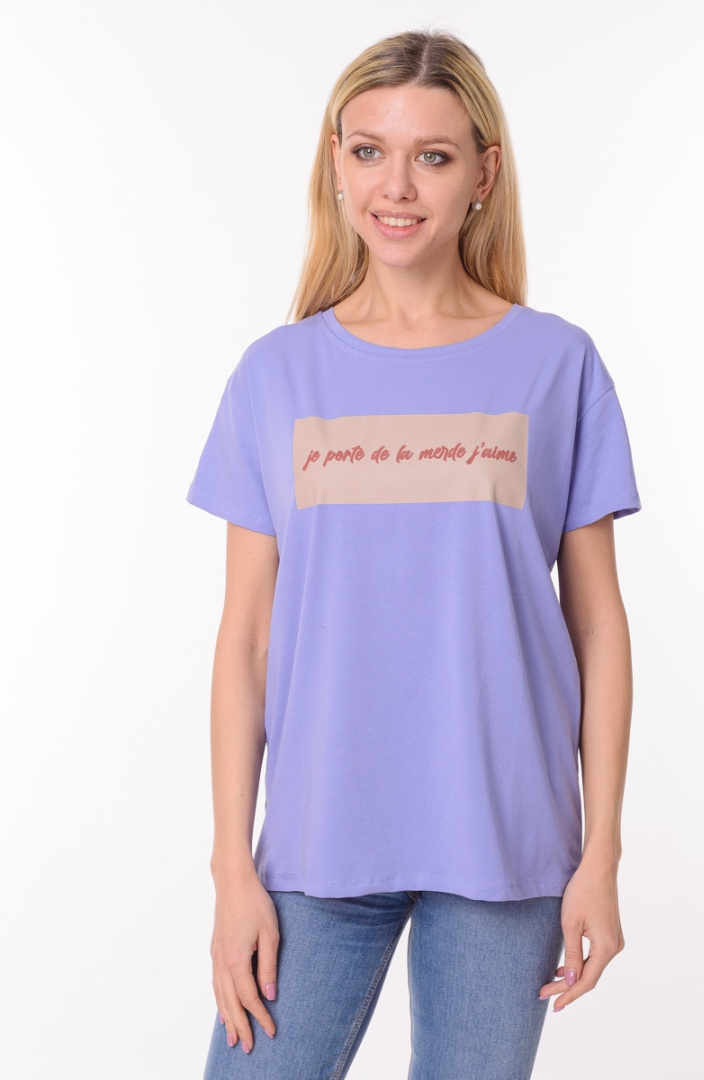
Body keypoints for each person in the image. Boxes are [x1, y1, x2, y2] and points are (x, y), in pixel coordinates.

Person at [186, 27, 642, 1080]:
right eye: (369, 151)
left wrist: (603, 855)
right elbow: (245, 639)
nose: (396, 186)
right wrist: (230, 869)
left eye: (432, 155)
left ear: (483, 173)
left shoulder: (556, 365)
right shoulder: (275, 376)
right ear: (335, 164)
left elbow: (598, 627)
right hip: (316, 844)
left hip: (506, 844)